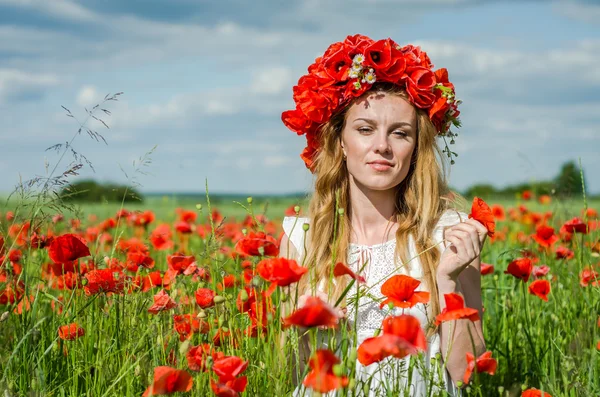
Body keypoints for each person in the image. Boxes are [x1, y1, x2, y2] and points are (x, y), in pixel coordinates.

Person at [279, 34, 488, 396]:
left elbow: (468, 373)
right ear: (340, 141)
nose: (382, 146)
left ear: (415, 148)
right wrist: (303, 327)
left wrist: (447, 282)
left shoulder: (449, 235)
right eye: (365, 129)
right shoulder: (302, 239)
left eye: (400, 133)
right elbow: (286, 376)